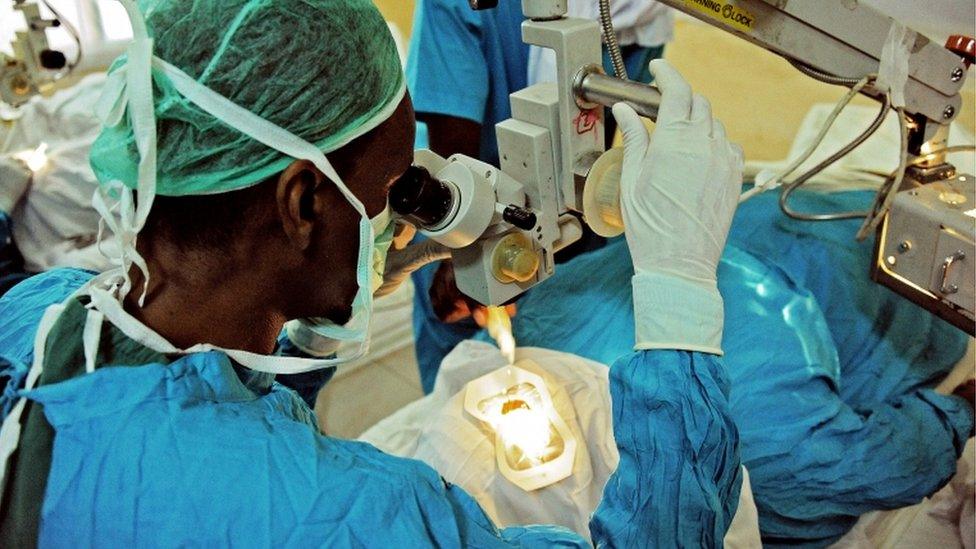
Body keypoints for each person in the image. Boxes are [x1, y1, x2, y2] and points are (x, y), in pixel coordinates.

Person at [0, 0, 746, 546]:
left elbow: (197, 405)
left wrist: (315, 321)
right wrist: (678, 290)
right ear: (301, 203)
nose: (403, 214)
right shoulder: (343, 515)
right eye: (394, 188)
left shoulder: (40, 309)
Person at [495, 187, 975, 546]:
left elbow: (885, 464)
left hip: (904, 298)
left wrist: (959, 412)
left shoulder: (754, 457)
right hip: (778, 218)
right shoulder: (533, 325)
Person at [406, 0, 673, 392]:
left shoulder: (638, 14)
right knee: (460, 394)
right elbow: (454, 167)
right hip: (461, 218)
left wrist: (560, 231)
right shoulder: (467, 7)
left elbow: (593, 149)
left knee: (564, 380)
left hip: (567, 229)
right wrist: (472, 247)